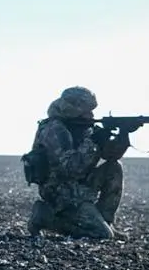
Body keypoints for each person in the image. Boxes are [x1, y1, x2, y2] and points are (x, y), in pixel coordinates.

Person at [23, 86, 137, 239]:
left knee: (114, 168)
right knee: (101, 235)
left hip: (80, 187)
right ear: (73, 109)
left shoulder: (83, 127)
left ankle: (106, 221)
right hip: (60, 193)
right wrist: (93, 142)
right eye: (86, 110)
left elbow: (111, 155)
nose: (90, 115)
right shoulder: (54, 130)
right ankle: (45, 217)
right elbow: (69, 169)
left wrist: (123, 135)